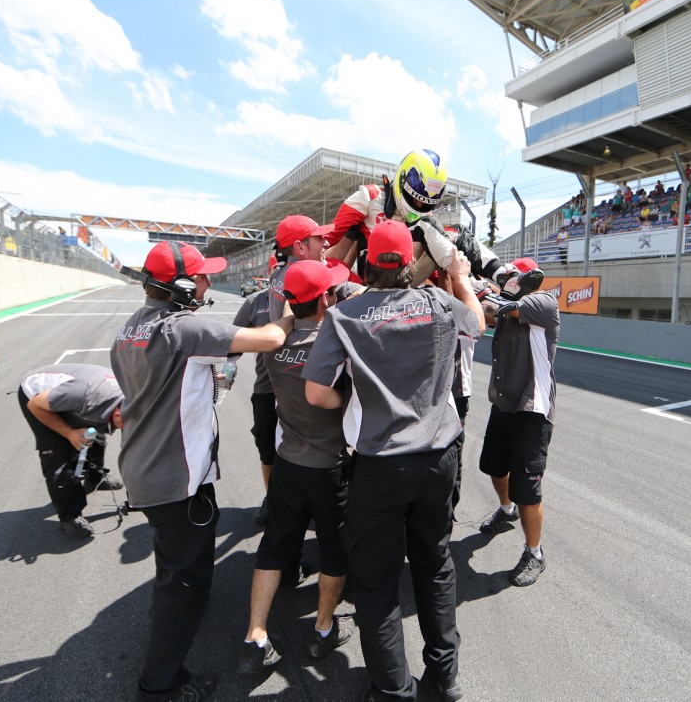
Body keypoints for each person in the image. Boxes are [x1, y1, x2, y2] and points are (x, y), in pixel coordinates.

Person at [303, 220, 483, 702]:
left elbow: (317, 391)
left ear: (366, 263)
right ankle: (445, 677)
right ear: (408, 263)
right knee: (435, 563)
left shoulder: (346, 316)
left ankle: (392, 689)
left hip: (380, 464)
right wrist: (460, 275)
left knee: (378, 579)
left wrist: (356, 401)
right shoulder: (442, 302)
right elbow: (478, 323)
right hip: (439, 458)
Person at [111, 241, 294, 702]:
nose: (207, 282)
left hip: (143, 468)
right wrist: (289, 305)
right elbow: (272, 339)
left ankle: (163, 624)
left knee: (171, 565)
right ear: (178, 285)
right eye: (201, 276)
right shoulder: (184, 330)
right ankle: (160, 685)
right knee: (186, 586)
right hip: (176, 479)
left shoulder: (129, 329)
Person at [238, 259, 355, 674]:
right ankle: (323, 630)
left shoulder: (272, 342)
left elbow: (286, 323)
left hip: (288, 461)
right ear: (325, 298)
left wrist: (289, 314)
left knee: (273, 547)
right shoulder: (337, 340)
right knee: (333, 549)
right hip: (331, 467)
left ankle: (256, 635)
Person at [476, 257, 559, 588]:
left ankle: (534, 552)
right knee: (494, 467)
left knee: (528, 490)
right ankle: (506, 509)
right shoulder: (507, 311)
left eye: (515, 277)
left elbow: (498, 304)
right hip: (504, 404)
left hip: (533, 411)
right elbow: (483, 314)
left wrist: (484, 289)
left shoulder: (542, 302)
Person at [324, 148, 510, 289]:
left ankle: (504, 277)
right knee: (434, 228)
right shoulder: (368, 197)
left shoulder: (426, 220)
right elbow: (326, 242)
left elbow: (438, 260)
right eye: (415, 199)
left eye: (427, 203)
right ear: (403, 182)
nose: (420, 207)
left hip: (406, 278)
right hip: (370, 281)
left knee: (453, 233)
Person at [18, 363, 125, 538]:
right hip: (38, 398)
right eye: (123, 425)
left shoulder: (131, 396)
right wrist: (69, 433)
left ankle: (94, 476)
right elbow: (35, 405)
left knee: (94, 435)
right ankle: (69, 516)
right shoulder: (85, 395)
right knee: (58, 455)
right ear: (118, 412)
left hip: (76, 400)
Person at [232, 287, 279, 525]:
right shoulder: (255, 301)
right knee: (267, 447)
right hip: (266, 389)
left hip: (307, 387)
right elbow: (233, 340)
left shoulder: (315, 290)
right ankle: (272, 498)